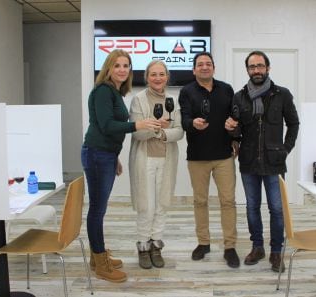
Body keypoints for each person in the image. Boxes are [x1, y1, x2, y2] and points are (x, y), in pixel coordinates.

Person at [81, 49, 160, 282]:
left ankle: (98, 256)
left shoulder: (115, 92)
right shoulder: (103, 91)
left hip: (104, 155)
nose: (122, 70)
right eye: (117, 65)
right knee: (97, 210)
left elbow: (106, 128)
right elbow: (106, 125)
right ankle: (100, 261)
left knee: (99, 209)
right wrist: (138, 125)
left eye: (126, 66)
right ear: (108, 68)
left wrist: (113, 156)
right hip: (97, 155)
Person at [225, 51, 299, 272]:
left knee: (277, 209)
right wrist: (232, 131)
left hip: (274, 162)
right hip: (248, 162)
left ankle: (276, 252)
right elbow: (237, 130)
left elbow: (294, 124)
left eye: (260, 66)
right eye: (251, 67)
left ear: (268, 68)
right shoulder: (239, 97)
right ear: (247, 70)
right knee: (251, 207)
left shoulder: (282, 94)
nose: (256, 70)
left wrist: (285, 149)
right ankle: (257, 247)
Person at [179, 52, 240, 268]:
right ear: (194, 69)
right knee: (200, 201)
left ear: (214, 67)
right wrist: (191, 123)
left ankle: (230, 246)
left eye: (208, 64)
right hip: (197, 157)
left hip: (224, 156)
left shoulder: (226, 89)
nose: (204, 67)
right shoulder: (186, 91)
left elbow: (234, 117)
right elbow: (184, 118)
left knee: (228, 202)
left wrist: (236, 138)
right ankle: (203, 243)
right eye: (200, 64)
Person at [129, 60, 184, 269]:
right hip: (145, 159)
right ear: (147, 77)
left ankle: (156, 246)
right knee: (147, 206)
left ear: (167, 77)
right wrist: (154, 128)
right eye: (153, 74)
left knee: (162, 205)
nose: (158, 78)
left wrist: (160, 132)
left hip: (167, 159)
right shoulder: (138, 100)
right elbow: (137, 132)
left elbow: (179, 131)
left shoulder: (173, 100)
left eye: (161, 74)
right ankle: (143, 246)